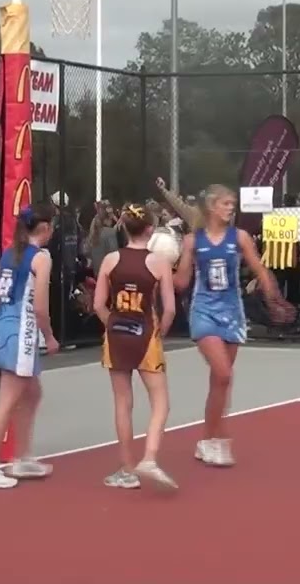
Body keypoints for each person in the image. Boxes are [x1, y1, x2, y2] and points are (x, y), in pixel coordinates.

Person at [173, 184, 293, 468]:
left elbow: (259, 268)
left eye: (232, 203)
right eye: (226, 203)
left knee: (220, 382)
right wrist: (159, 268)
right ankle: (220, 439)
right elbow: (181, 281)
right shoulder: (193, 241)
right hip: (203, 311)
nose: (231, 207)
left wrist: (271, 293)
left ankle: (206, 439)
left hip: (232, 313)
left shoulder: (239, 238)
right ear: (212, 206)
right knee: (223, 373)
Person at [0, 205, 60, 490]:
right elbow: (41, 307)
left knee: (32, 394)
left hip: (7, 329)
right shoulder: (41, 258)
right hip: (22, 333)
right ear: (44, 229)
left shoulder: (9, 254)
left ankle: (22, 456)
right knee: (8, 402)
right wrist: (50, 336)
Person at [93, 204, 177, 490]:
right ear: (151, 230)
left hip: (116, 334)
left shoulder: (110, 260)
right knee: (160, 402)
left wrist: (112, 324)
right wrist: (159, 333)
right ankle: (149, 457)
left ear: (123, 227)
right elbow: (170, 310)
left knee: (122, 403)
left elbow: (98, 305)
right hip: (145, 334)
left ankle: (127, 469)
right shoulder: (159, 262)